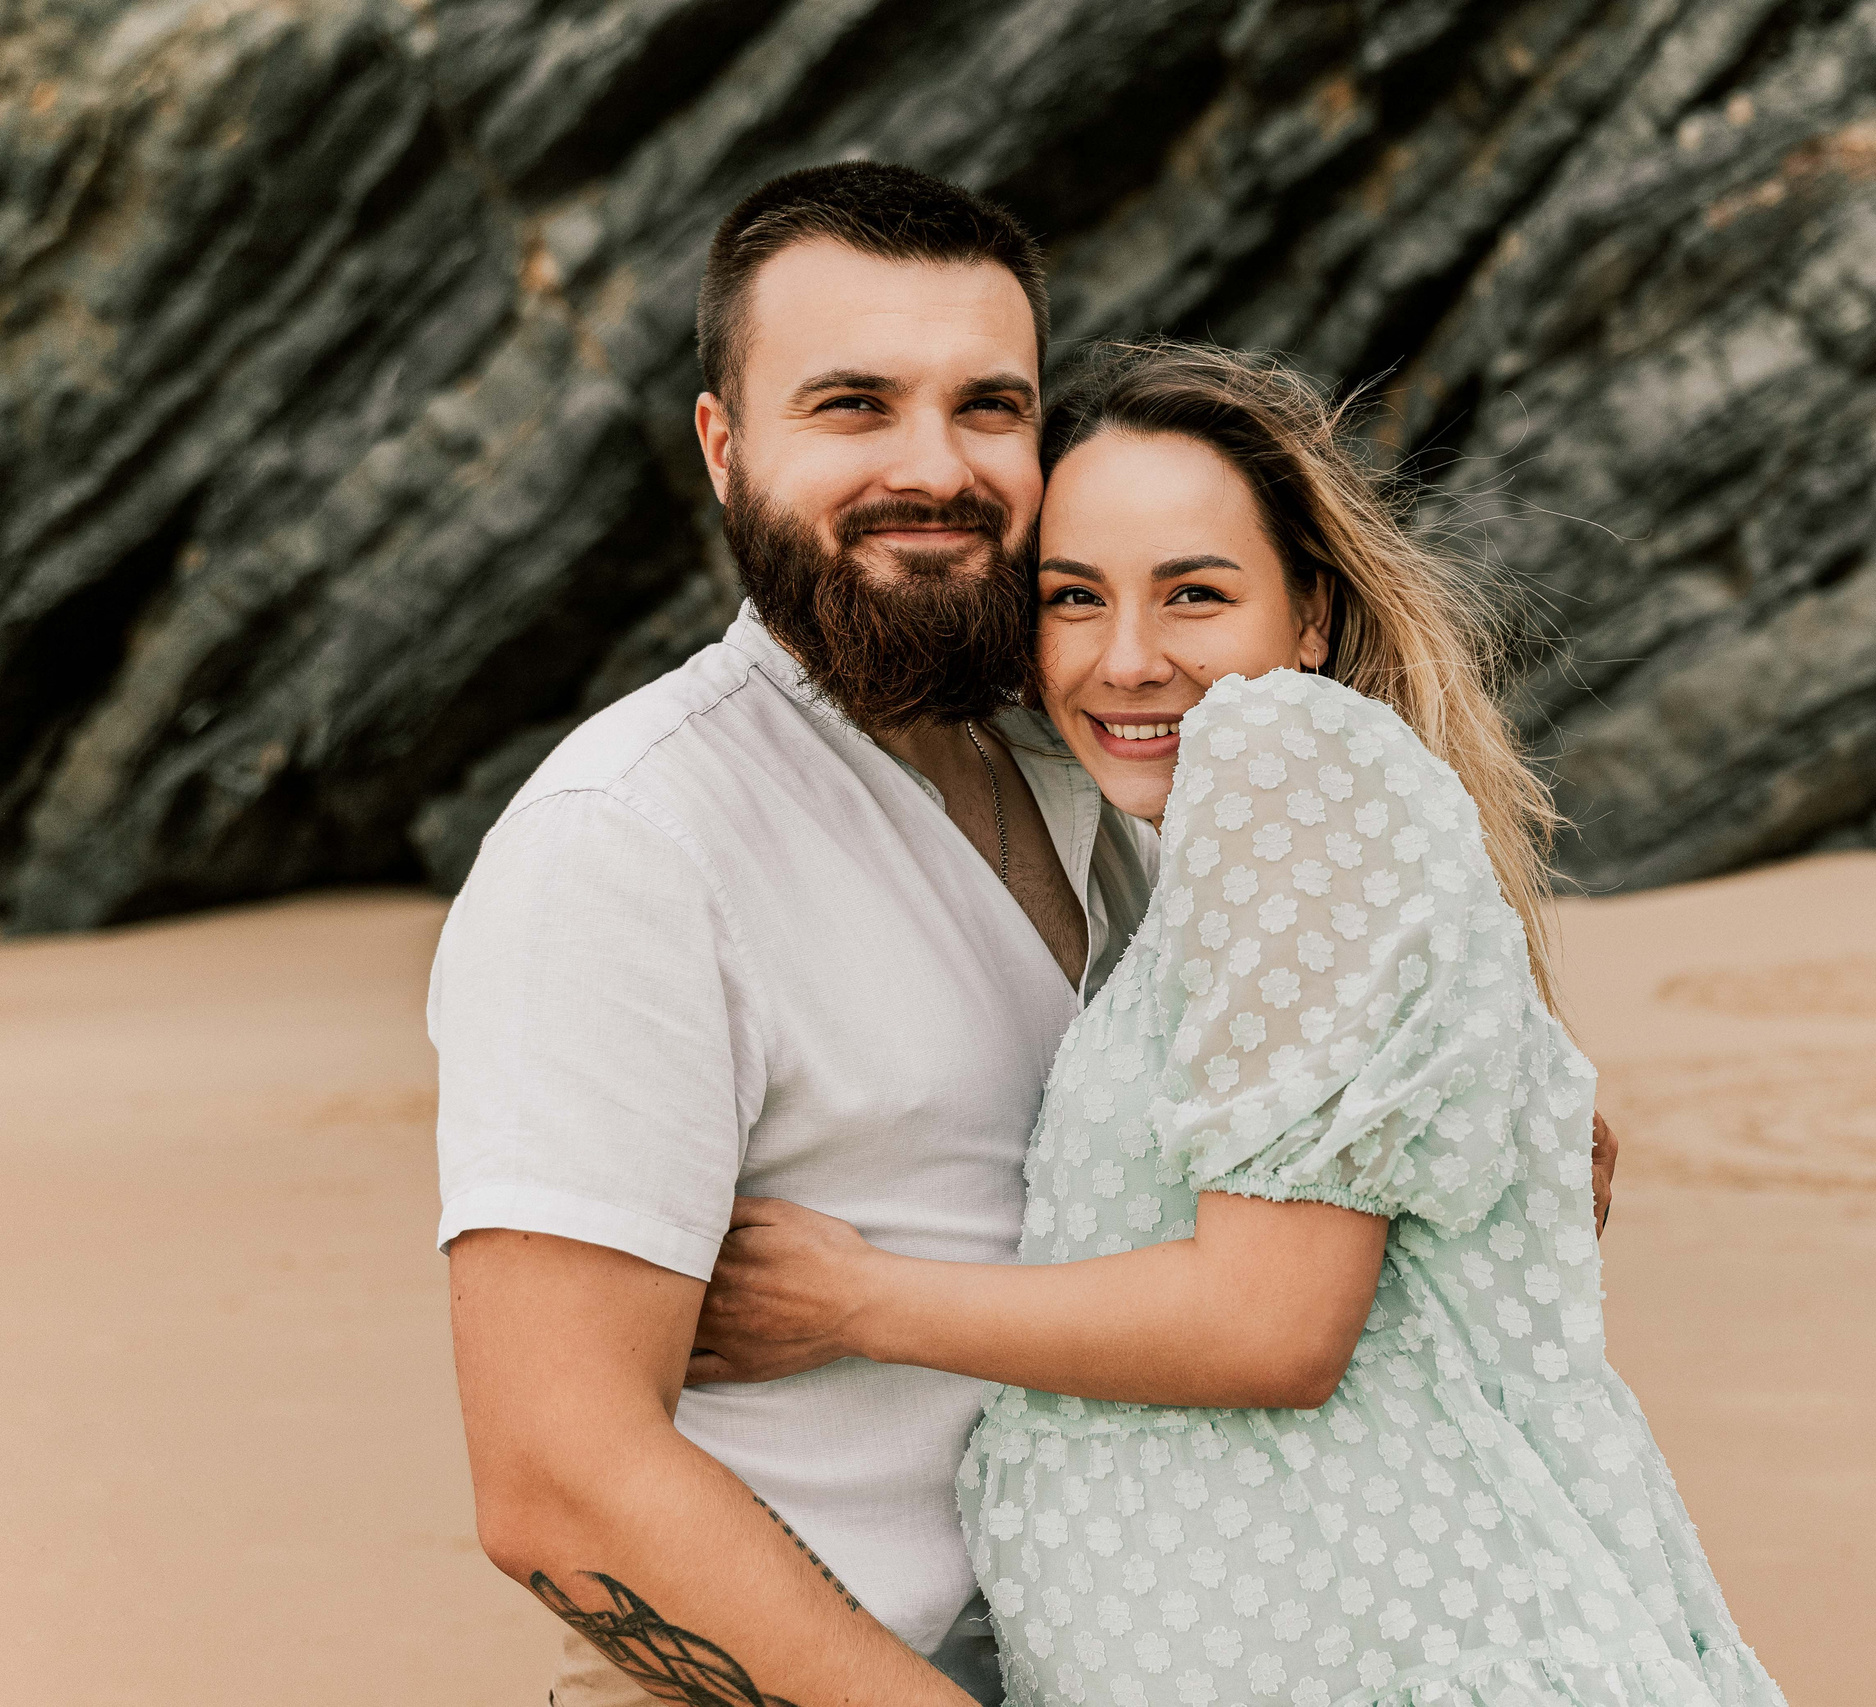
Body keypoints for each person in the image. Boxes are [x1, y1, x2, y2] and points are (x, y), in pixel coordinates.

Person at [435, 159, 1624, 1705]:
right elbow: (558, 1483)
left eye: (987, 406)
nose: (934, 465)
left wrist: (1478, 1108)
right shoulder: (633, 841)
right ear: (724, 448)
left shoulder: (1108, 755)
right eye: (854, 405)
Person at [691, 345, 1782, 1706]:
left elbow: (1272, 1325)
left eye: (1195, 594)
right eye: (1072, 597)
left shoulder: (1281, 766)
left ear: (1309, 614)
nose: (1128, 659)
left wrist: (860, 1302)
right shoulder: (1185, 838)